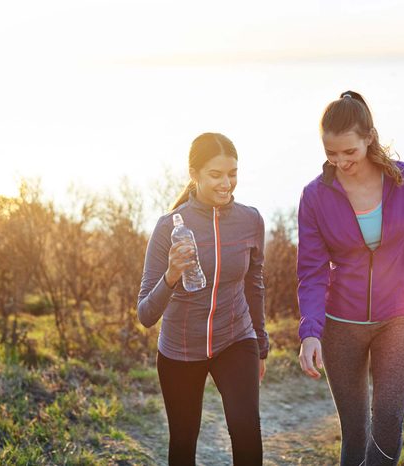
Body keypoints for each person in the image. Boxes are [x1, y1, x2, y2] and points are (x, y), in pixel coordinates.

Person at [297, 91, 404, 465]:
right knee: (355, 434)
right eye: (331, 154)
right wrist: (310, 331)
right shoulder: (314, 196)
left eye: (349, 153)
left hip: (399, 317)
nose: (341, 162)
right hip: (341, 324)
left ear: (369, 138)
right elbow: (311, 271)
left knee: (389, 421)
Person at [137, 132, 268, 466]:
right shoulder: (169, 227)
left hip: (236, 339)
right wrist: (171, 275)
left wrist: (261, 346)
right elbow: (146, 314)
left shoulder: (250, 220)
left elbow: (255, 284)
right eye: (216, 175)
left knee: (247, 432)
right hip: (180, 348)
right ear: (194, 174)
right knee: (183, 441)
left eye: (232, 173)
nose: (227, 183)